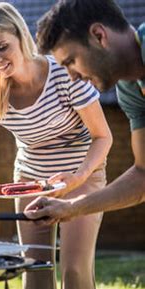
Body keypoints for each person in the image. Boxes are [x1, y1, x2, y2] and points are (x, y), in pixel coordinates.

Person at [0, 3, 112, 289]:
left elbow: (103, 137)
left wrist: (78, 177)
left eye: (2, 47)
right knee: (34, 271)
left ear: (21, 37)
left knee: (75, 272)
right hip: (31, 181)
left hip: (81, 175)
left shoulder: (63, 73)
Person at [24, 0, 145, 224]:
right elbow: (142, 176)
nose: (72, 77)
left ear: (99, 35)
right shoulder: (131, 90)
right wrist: (70, 207)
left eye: (71, 61)